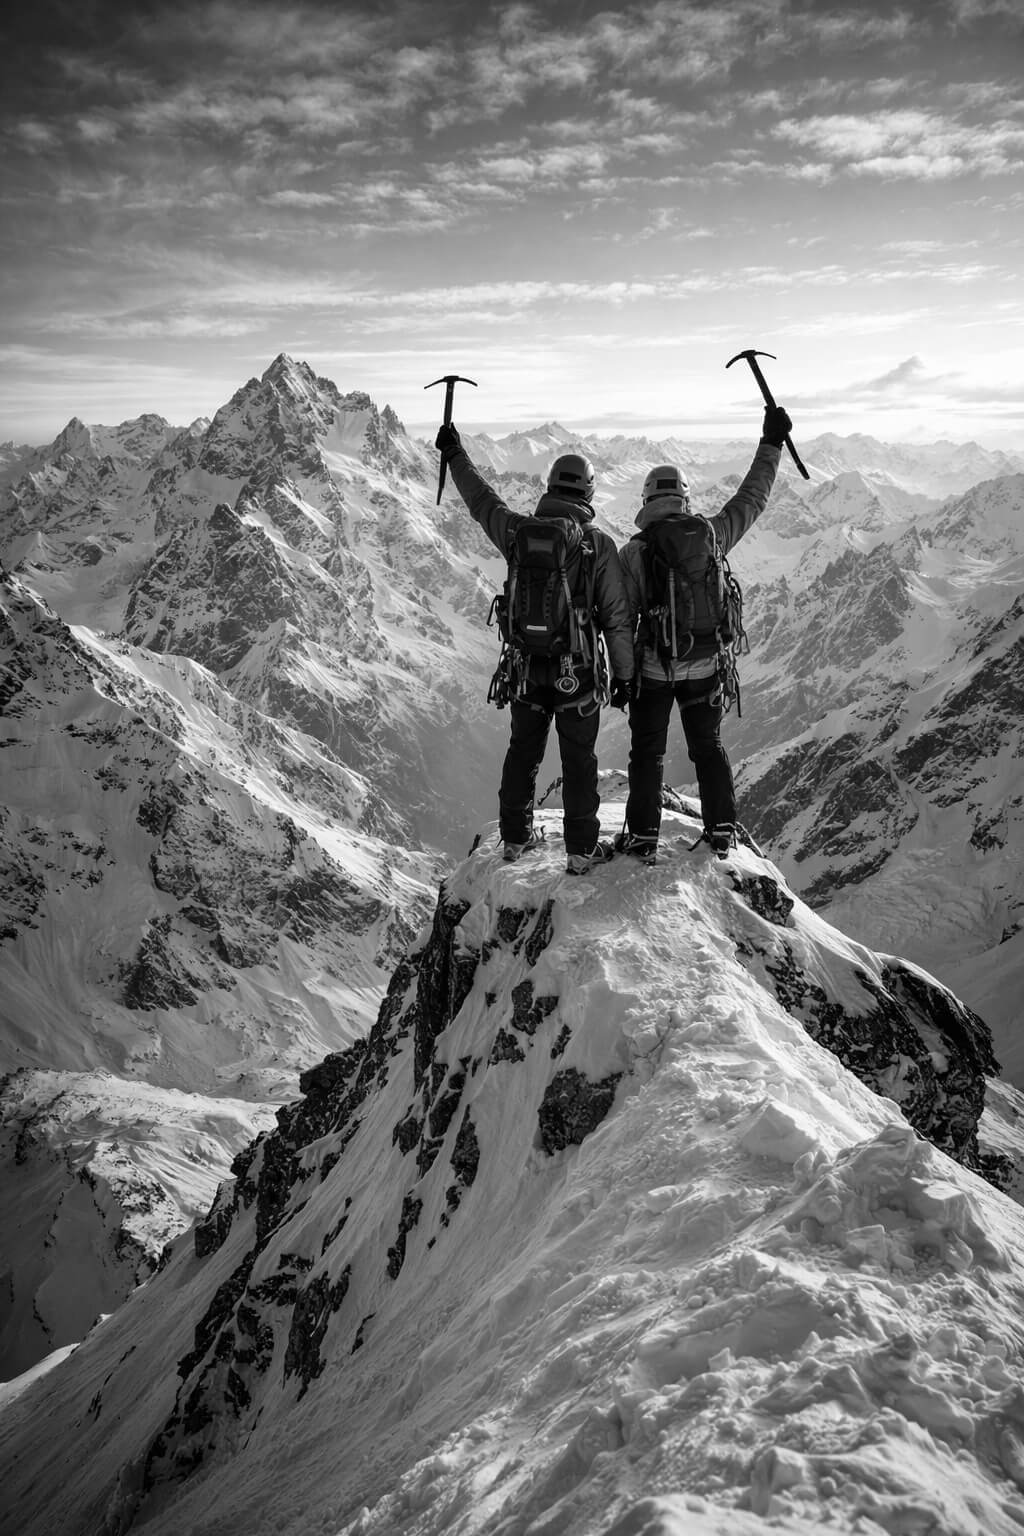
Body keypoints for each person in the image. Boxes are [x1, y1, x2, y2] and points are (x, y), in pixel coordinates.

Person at [435, 425, 635, 875]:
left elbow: (481, 501)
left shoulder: (516, 530)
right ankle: (580, 850)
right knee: (578, 759)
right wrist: (624, 677)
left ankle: (514, 839)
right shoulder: (598, 545)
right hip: (577, 672)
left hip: (524, 667)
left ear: (550, 487)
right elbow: (617, 617)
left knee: (523, 750)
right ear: (588, 492)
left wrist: (455, 452)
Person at [616, 404, 793, 862]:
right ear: (684, 498)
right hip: (707, 664)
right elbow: (751, 499)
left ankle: (643, 836)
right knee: (708, 748)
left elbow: (623, 619)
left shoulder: (633, 553)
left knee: (647, 753)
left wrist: (623, 676)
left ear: (646, 500)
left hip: (655, 670)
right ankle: (721, 830)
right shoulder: (712, 534)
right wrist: (771, 443)